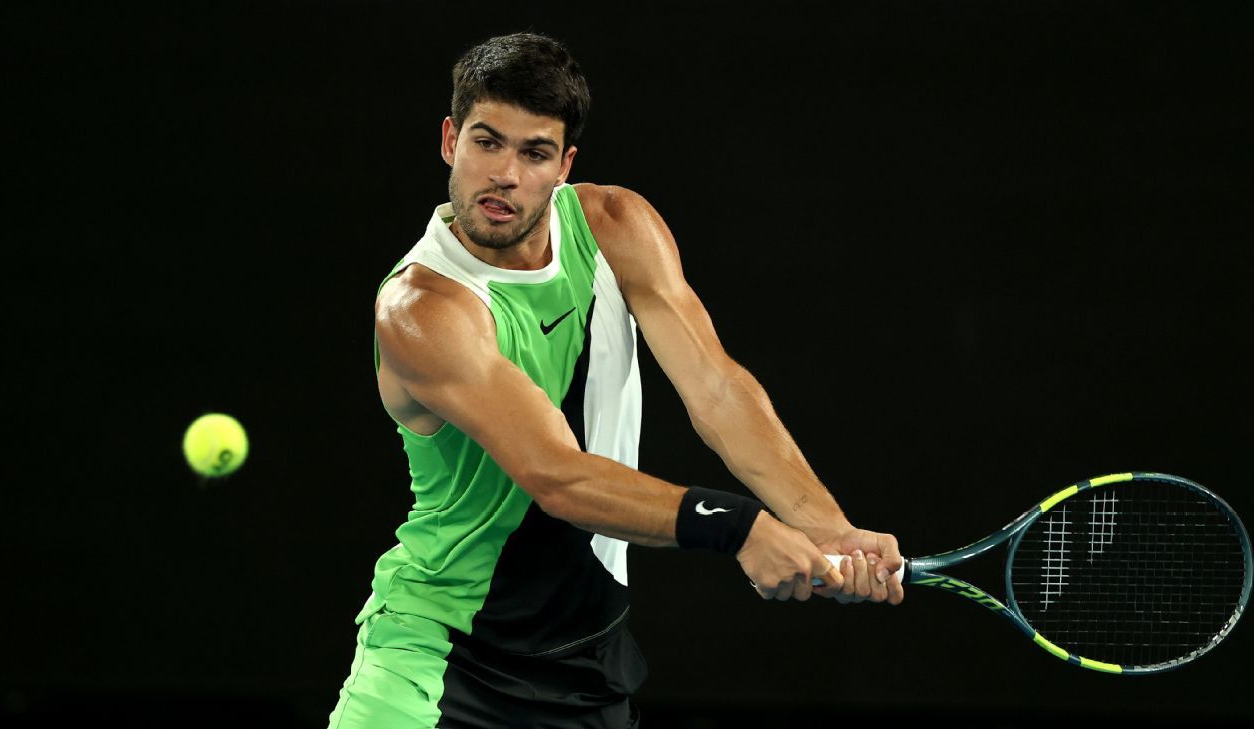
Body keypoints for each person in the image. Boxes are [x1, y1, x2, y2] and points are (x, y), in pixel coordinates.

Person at [328, 32, 904, 729]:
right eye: (486, 142)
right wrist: (737, 526)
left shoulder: (616, 226)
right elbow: (557, 476)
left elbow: (717, 390)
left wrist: (828, 527)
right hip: (435, 667)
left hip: (587, 669)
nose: (504, 174)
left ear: (564, 165)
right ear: (451, 140)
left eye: (534, 152)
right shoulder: (423, 309)